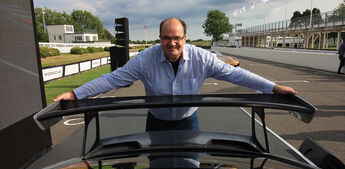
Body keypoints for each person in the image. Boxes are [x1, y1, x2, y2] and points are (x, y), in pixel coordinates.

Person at [54, 17, 297, 131]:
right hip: (156, 122)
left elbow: (238, 75)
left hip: (189, 122)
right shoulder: (145, 59)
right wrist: (75, 93)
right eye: (166, 38)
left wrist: (273, 88)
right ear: (160, 38)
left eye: (177, 38)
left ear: (185, 39)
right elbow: (111, 79)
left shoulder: (203, 58)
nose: (172, 43)